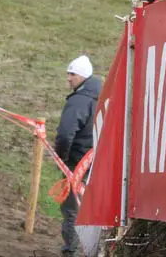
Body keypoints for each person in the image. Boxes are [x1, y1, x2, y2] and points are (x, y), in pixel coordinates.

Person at [55, 55, 102, 257]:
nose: (68, 78)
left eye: (72, 74)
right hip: (99, 162)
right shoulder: (102, 95)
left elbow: (65, 134)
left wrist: (61, 159)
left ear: (82, 76)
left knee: (71, 211)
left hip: (77, 163)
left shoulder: (79, 101)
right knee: (98, 211)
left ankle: (70, 252)